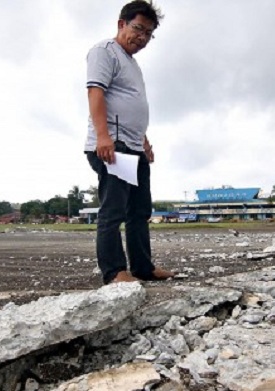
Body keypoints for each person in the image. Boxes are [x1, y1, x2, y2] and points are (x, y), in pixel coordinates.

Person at [84, 0, 175, 284]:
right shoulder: (104, 52)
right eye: (138, 29)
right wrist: (103, 136)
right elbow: (96, 93)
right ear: (121, 24)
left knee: (139, 211)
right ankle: (114, 272)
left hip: (133, 147)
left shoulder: (132, 64)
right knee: (114, 210)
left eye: (148, 33)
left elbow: (131, 105)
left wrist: (144, 141)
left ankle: (143, 267)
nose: (142, 37)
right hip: (115, 145)